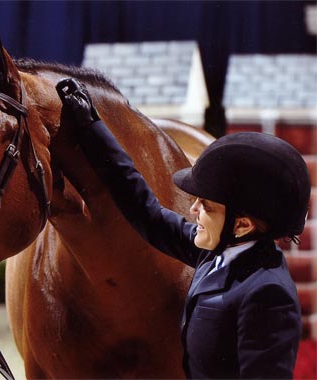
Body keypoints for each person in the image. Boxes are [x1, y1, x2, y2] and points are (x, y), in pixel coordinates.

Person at [56, 78, 311, 379]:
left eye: (206, 206)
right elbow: (146, 211)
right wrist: (92, 128)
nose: (192, 211)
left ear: (242, 224)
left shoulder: (268, 295)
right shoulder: (217, 252)